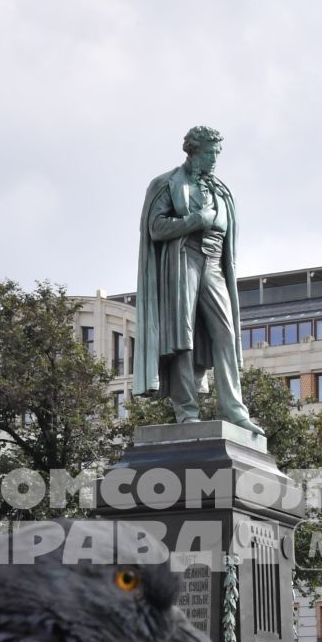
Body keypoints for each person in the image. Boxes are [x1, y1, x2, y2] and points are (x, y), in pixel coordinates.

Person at [134, 126, 262, 433]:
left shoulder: (221, 189)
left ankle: (234, 410)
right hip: (183, 259)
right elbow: (154, 227)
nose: (215, 158)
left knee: (226, 334)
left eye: (217, 153)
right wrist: (195, 220)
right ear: (192, 151)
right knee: (183, 336)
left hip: (215, 262)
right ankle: (187, 412)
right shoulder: (166, 183)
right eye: (209, 152)